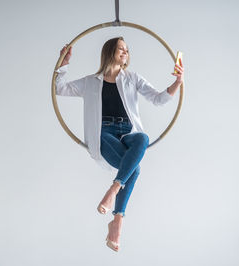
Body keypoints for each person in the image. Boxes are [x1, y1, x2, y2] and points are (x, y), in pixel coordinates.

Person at [55, 37, 184, 252]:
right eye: (120, 48)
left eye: (127, 49)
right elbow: (59, 88)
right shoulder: (90, 82)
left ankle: (114, 189)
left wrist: (177, 82)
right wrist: (64, 61)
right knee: (134, 169)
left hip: (127, 132)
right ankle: (117, 220)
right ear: (109, 52)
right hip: (103, 132)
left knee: (142, 138)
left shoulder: (132, 78)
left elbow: (158, 99)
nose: (125, 51)